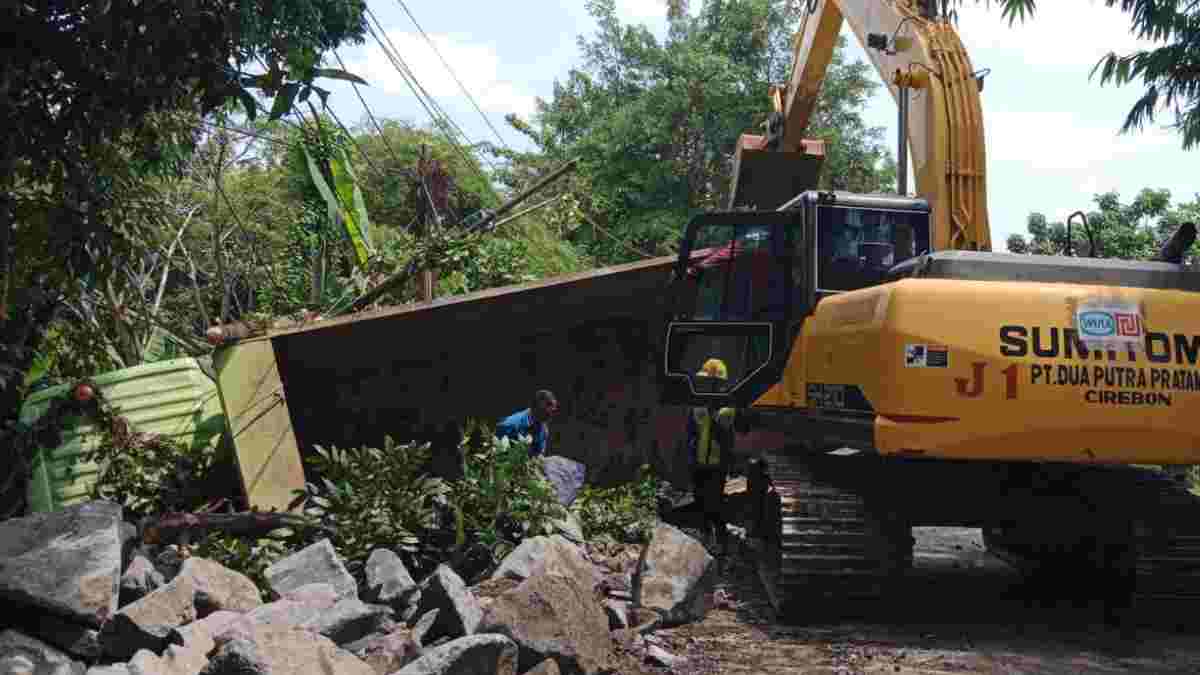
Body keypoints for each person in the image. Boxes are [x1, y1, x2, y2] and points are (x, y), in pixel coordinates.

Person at [688, 358, 738, 556]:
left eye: (709, 382)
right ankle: (705, 537)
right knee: (699, 500)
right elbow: (692, 429)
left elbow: (722, 428)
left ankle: (720, 540)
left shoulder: (727, 406)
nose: (705, 385)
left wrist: (710, 409)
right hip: (699, 461)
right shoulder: (699, 402)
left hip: (716, 464)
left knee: (715, 503)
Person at [496, 389, 559, 457]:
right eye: (550, 412)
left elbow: (539, 456)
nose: (552, 415)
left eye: (553, 411)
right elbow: (496, 453)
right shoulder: (509, 424)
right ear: (539, 407)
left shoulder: (543, 429)